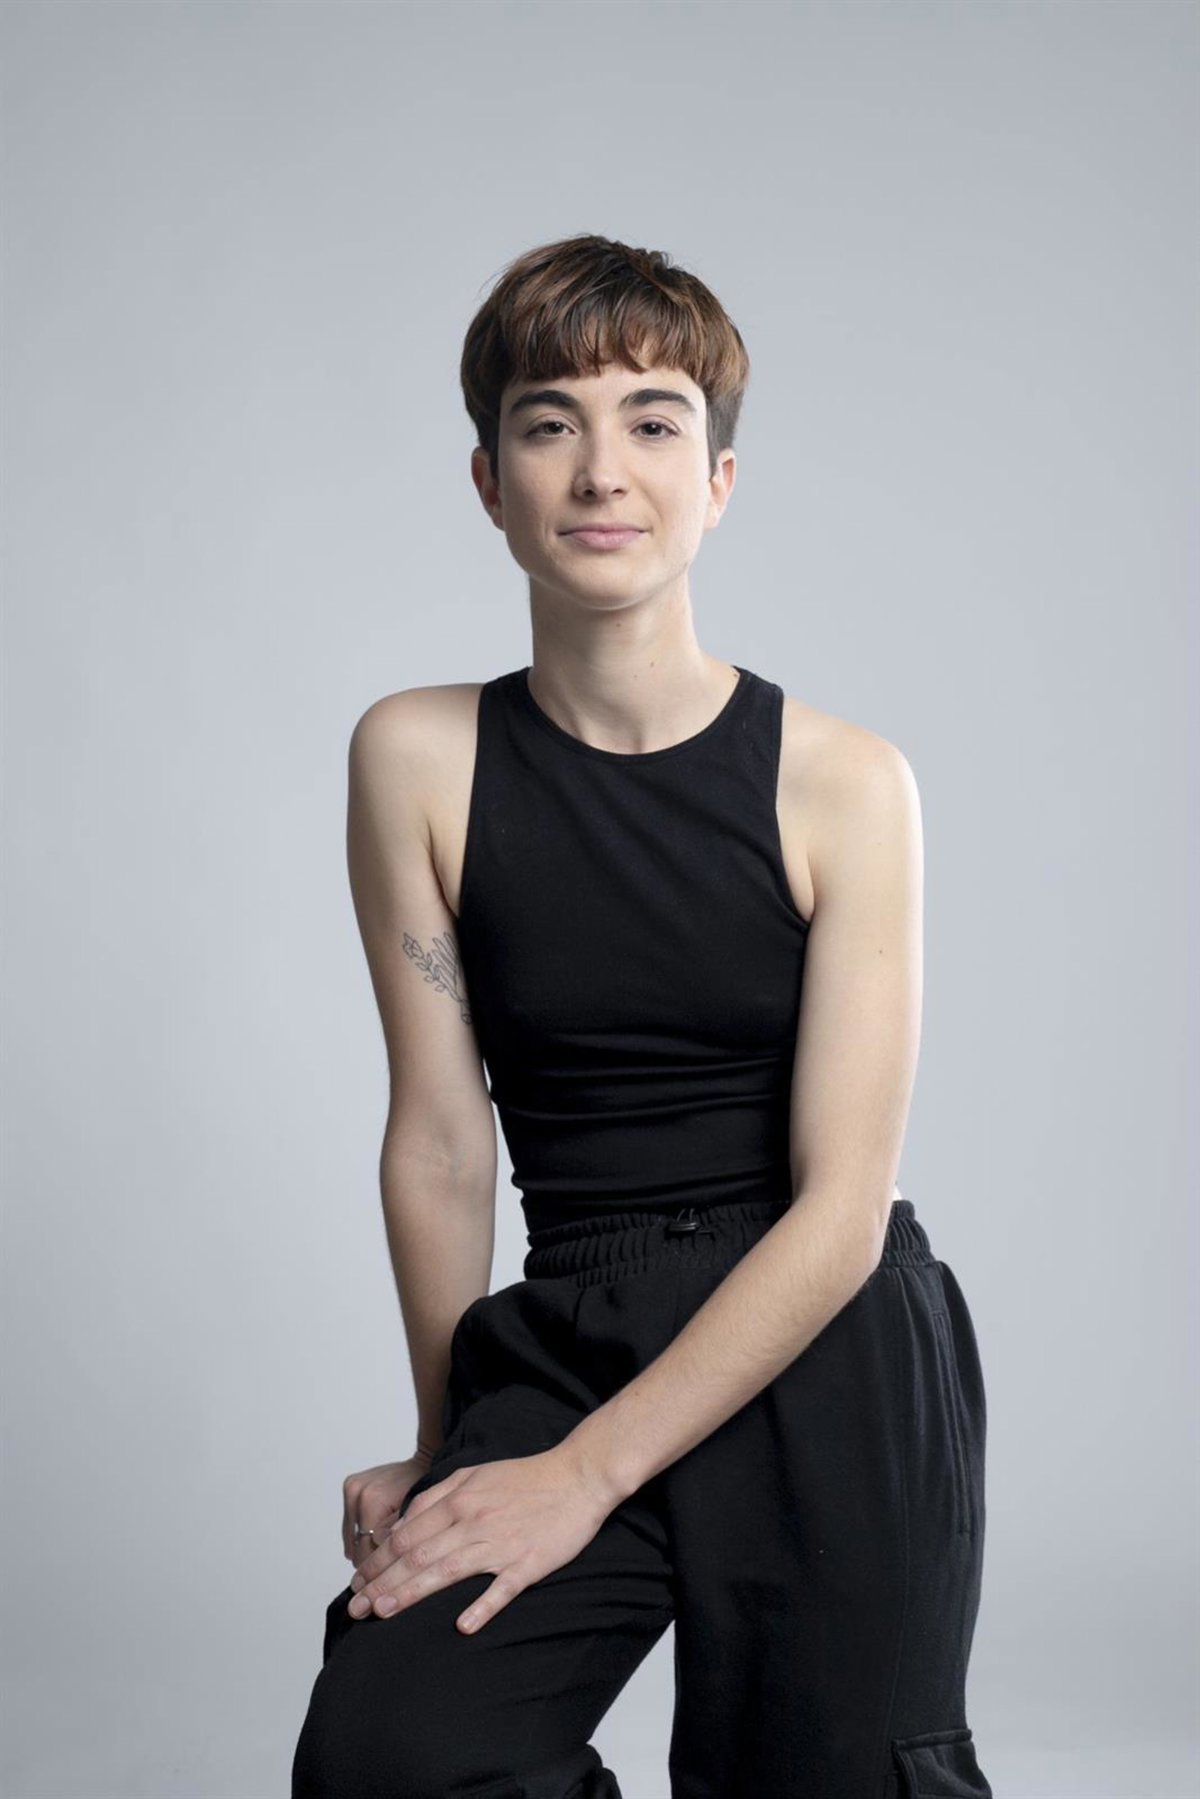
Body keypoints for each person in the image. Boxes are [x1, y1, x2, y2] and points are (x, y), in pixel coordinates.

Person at [291, 233, 993, 1799]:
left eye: (653, 422)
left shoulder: (847, 785)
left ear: (718, 481)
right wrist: (452, 1452)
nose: (602, 469)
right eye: (551, 423)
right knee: (394, 1763)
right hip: (572, 1333)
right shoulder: (417, 757)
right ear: (491, 483)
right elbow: (441, 1141)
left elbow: (843, 1208)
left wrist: (586, 1480)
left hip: (822, 1340)